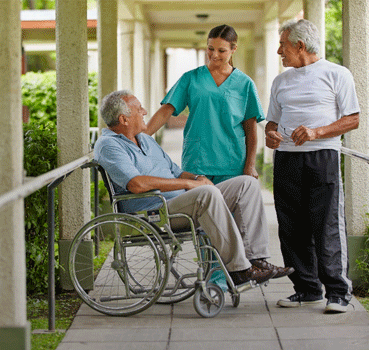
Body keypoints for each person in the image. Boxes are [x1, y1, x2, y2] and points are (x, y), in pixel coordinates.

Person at [95, 90, 294, 287]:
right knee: (205, 193)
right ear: (124, 119)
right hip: (152, 214)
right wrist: (190, 184)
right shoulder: (109, 145)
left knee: (246, 184)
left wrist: (198, 178)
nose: (145, 111)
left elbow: (175, 171)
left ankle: (255, 259)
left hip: (181, 204)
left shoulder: (145, 139)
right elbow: (136, 184)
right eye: (139, 109)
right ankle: (239, 269)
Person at [265, 19, 360, 313]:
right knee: (291, 227)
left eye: (283, 45)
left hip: (322, 158)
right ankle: (307, 289)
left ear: (299, 46)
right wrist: (270, 134)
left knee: (326, 224)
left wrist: (317, 132)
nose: (280, 51)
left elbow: (352, 119)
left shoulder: (337, 74)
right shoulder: (281, 81)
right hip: (286, 160)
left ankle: (338, 292)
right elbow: (272, 121)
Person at [145, 24, 264, 185]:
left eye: (221, 51)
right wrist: (140, 138)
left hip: (232, 163)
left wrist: (250, 165)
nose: (214, 55)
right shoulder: (191, 78)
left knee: (229, 210)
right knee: (198, 208)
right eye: (210, 49)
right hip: (197, 162)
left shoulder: (245, 84)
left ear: (233, 49)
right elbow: (166, 110)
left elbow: (251, 129)